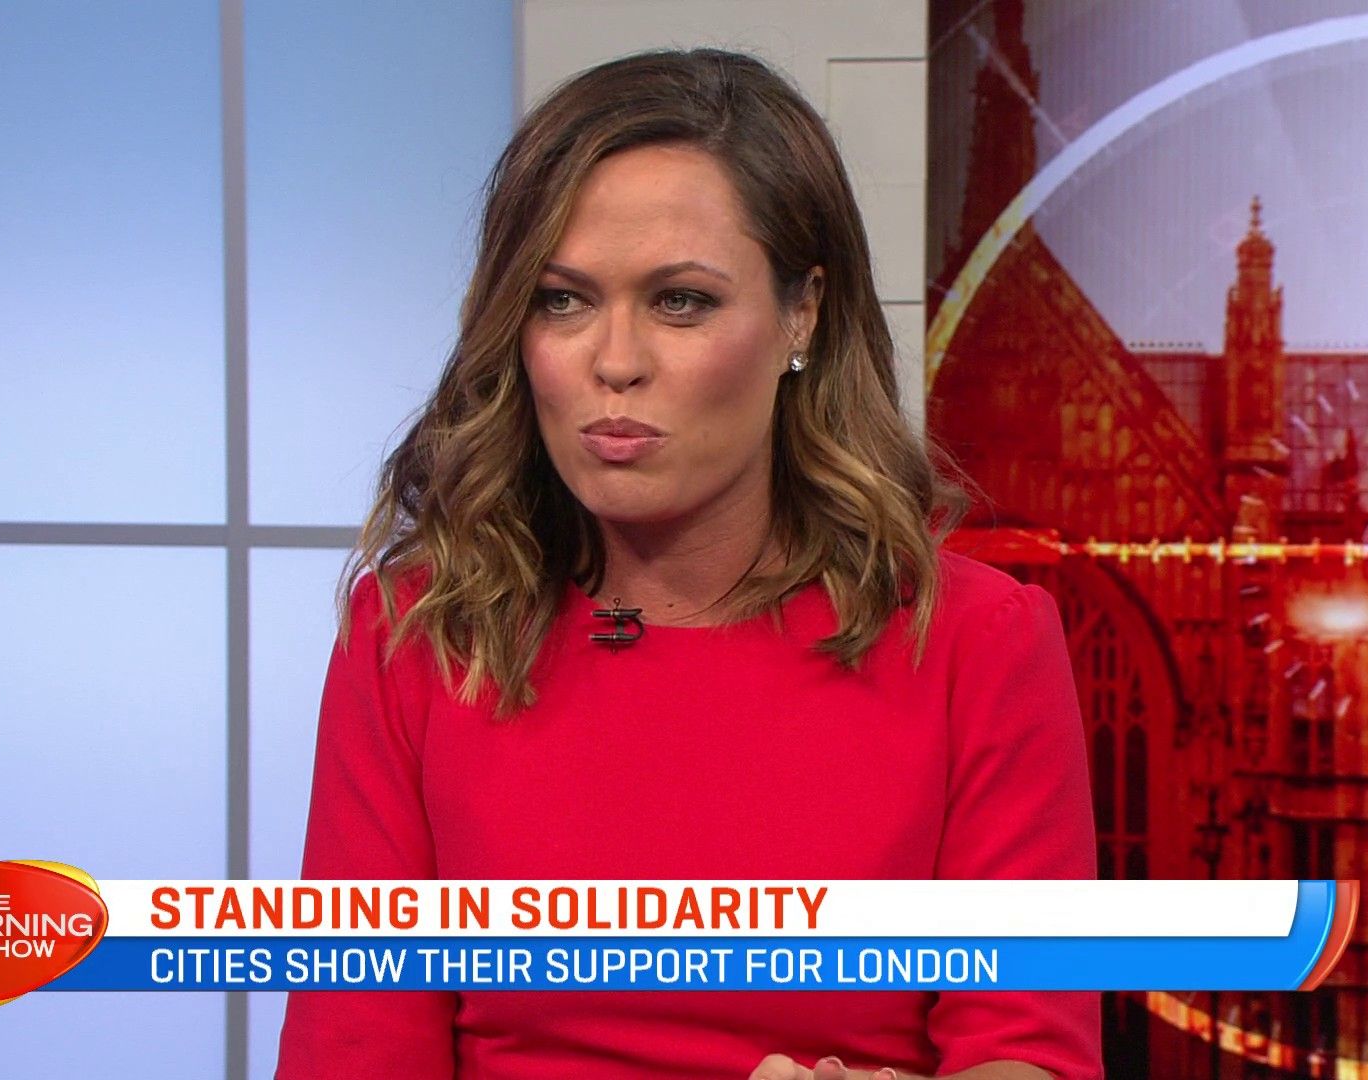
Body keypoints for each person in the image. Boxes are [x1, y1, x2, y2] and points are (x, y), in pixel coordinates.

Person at [274, 46, 1102, 1080]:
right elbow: (352, 1051)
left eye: (681, 302)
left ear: (802, 313)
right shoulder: (417, 634)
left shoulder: (978, 642)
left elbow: (1030, 1048)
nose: (615, 361)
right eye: (562, 300)